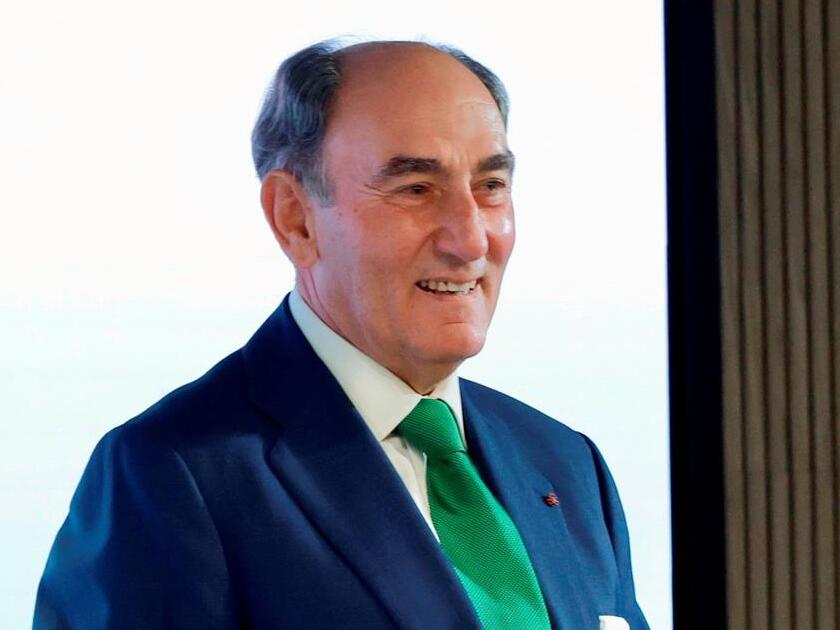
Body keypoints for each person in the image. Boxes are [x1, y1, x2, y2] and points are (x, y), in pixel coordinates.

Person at [34, 40, 649, 629]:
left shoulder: (566, 464)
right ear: (295, 218)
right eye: (416, 189)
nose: (470, 239)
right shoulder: (172, 474)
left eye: (490, 187)